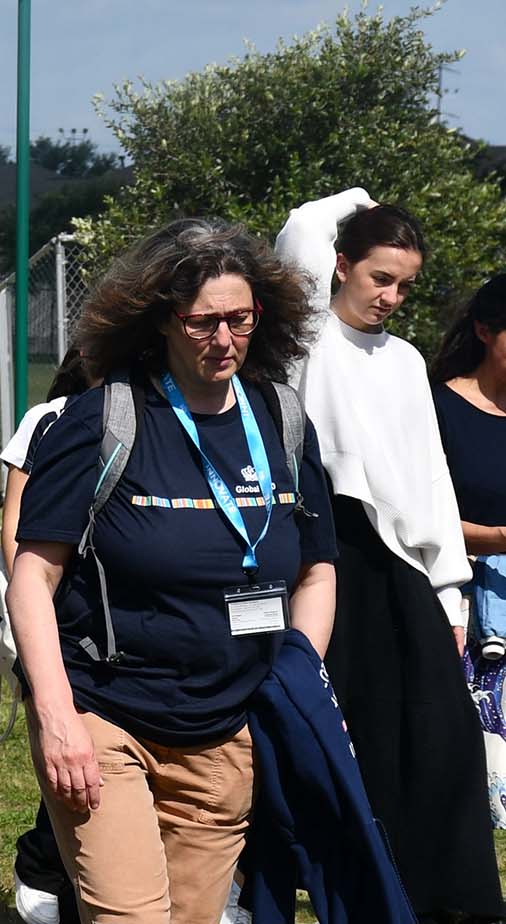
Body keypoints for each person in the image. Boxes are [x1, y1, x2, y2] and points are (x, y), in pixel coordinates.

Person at [7, 218, 338, 923]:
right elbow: (32, 576)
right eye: (202, 322)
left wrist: (294, 679)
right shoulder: (102, 421)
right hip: (106, 718)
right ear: (162, 320)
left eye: (240, 319)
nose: (224, 339)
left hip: (230, 731)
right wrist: (57, 717)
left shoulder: (282, 420)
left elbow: (316, 570)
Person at [276, 190, 503, 918]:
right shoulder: (306, 332)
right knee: (341, 731)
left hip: (405, 565)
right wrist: (365, 202)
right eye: (381, 277)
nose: (392, 297)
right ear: (340, 266)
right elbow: (303, 226)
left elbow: (429, 478)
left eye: (405, 285)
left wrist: (450, 590)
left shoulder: (405, 360)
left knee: (443, 735)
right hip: (328, 552)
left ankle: (450, 899)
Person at [0, 350, 94, 924]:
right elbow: (15, 528)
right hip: (51, 615)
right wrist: (37, 606)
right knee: (64, 752)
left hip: (117, 624)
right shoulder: (49, 419)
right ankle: (43, 867)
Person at [430, 275, 506, 821]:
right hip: (466, 605)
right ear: (484, 330)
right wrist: (500, 539)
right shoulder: (439, 408)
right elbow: (420, 516)